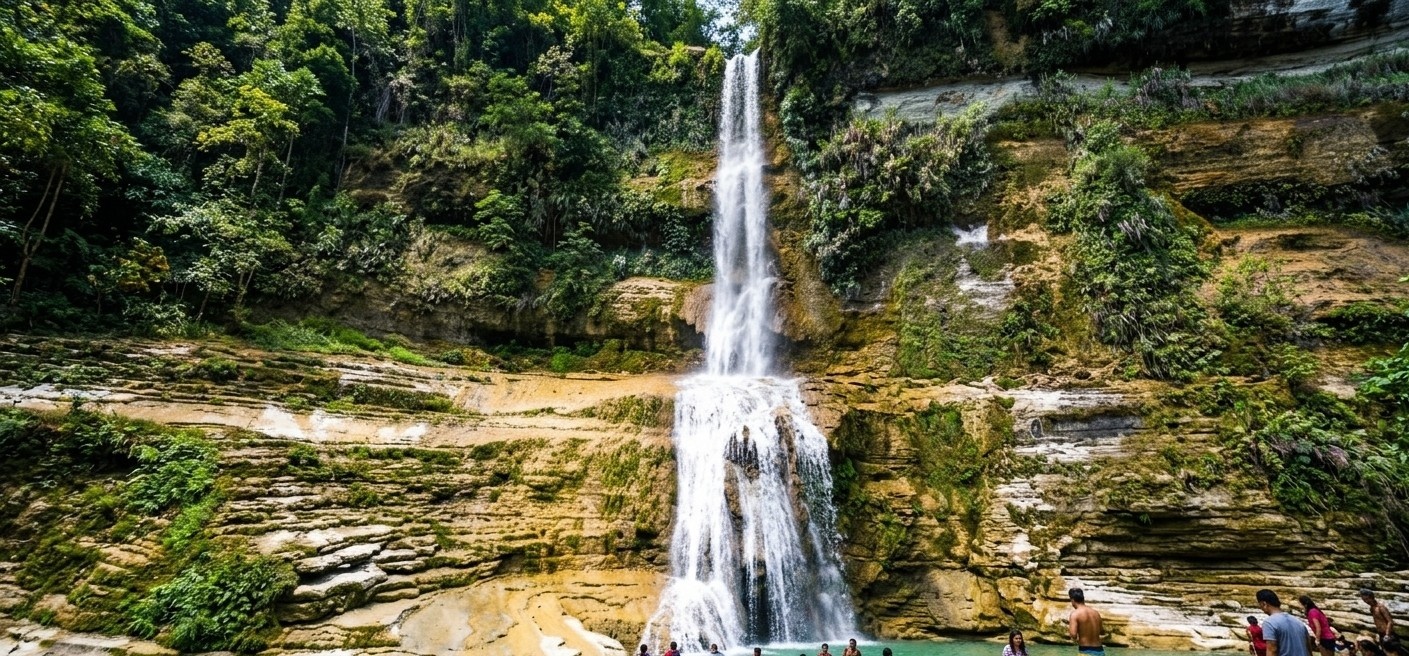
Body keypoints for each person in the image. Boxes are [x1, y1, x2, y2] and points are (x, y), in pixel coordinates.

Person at [1258, 589, 1311, 656]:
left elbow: (1272, 650)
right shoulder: (1298, 621)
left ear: (1264, 604)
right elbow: (1308, 648)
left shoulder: (1269, 623)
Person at [1069, 588, 1104, 655]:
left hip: (1086, 650)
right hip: (1100, 650)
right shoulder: (1096, 613)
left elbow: (1073, 635)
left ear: (1072, 600)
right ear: (1083, 599)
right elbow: (1101, 631)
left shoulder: (1075, 614)